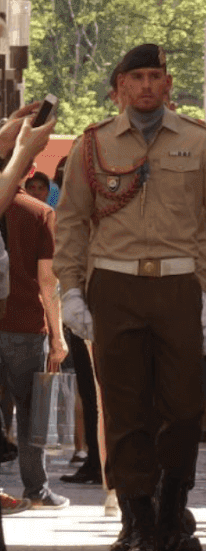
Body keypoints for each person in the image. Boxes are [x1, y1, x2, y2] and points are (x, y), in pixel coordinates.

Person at [55, 44, 206, 551]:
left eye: (153, 76)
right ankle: (139, 519)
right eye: (135, 76)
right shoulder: (92, 145)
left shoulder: (199, 142)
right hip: (114, 286)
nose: (144, 85)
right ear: (119, 87)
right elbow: (71, 220)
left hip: (179, 286)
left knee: (184, 409)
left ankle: (172, 506)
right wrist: (70, 290)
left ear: (167, 83)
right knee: (123, 407)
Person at [0, 105, 63, 513]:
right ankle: (36, 489)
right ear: (27, 170)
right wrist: (58, 336)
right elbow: (48, 281)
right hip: (26, 325)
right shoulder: (40, 212)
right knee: (32, 414)